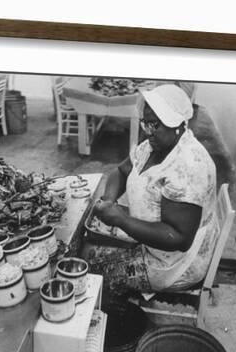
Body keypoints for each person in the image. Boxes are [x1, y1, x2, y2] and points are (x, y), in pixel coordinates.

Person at [88, 84, 219, 294]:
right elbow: (120, 172)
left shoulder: (189, 165)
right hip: (149, 240)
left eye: (154, 124)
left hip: (173, 264)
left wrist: (121, 220)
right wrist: (109, 201)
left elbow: (179, 238)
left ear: (176, 123)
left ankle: (114, 316)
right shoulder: (153, 145)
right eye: (145, 123)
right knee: (88, 246)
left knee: (93, 270)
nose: (147, 131)